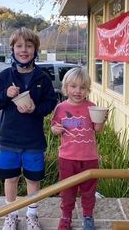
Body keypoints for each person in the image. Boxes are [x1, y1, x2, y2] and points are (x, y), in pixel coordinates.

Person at [0, 28, 58, 230]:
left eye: (29, 46)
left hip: (34, 140)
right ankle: (11, 215)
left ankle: (32, 215)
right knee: (10, 178)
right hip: (9, 139)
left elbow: (51, 102)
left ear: (35, 49)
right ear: (12, 49)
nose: (24, 50)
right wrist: (6, 94)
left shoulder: (43, 78)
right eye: (19, 46)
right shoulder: (4, 76)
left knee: (32, 179)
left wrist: (37, 109)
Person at [51, 67, 108, 230]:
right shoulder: (60, 108)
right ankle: (66, 216)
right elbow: (55, 128)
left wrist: (102, 120)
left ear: (88, 90)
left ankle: (88, 216)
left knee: (88, 191)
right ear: (66, 87)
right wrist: (56, 129)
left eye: (82, 88)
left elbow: (97, 129)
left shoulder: (92, 106)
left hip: (89, 157)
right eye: (73, 86)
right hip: (67, 157)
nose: (78, 91)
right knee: (67, 190)